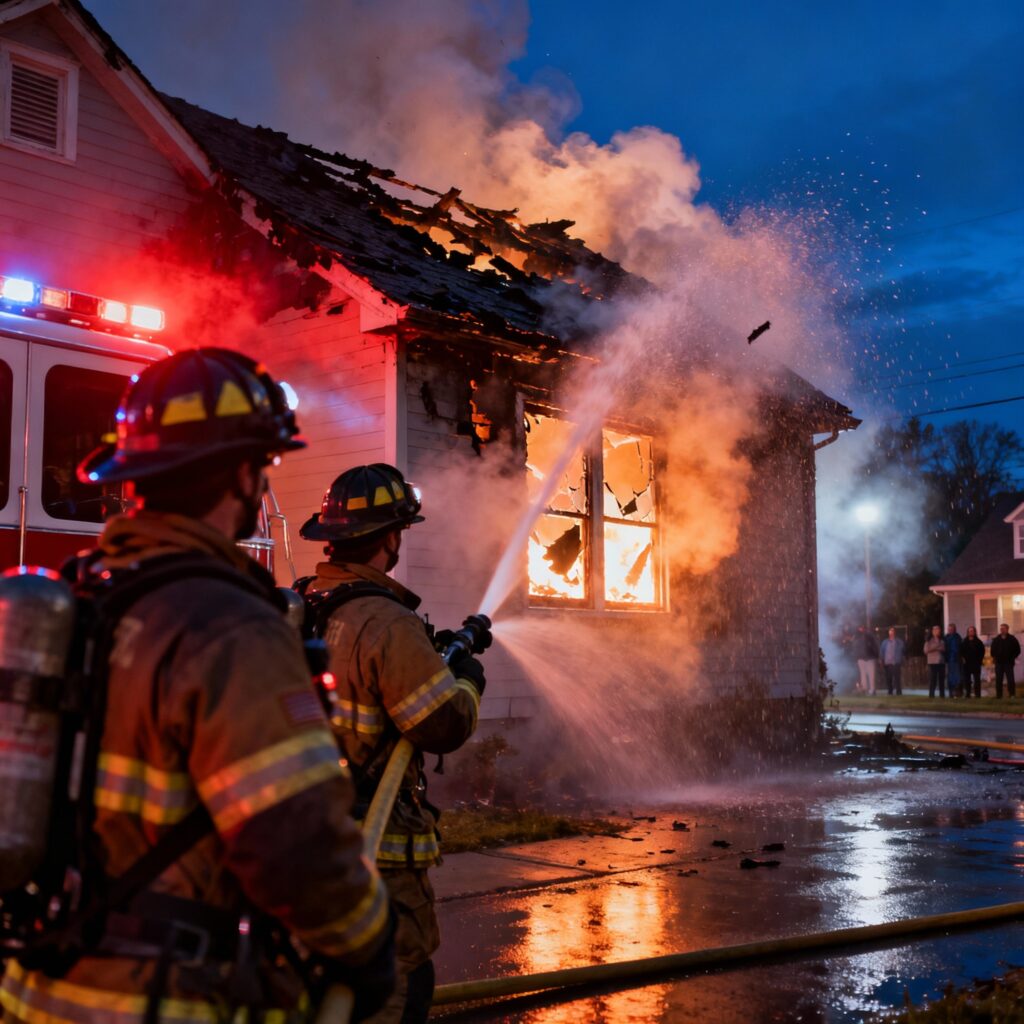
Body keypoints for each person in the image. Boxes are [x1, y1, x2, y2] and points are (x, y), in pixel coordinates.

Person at [1, 350, 394, 1024]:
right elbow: (296, 844)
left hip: (37, 985)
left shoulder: (79, 602)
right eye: (263, 466)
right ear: (243, 472)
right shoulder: (231, 626)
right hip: (164, 999)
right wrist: (366, 942)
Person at [298, 463, 484, 1024]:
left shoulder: (304, 602)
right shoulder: (384, 622)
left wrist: (432, 651)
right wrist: (468, 682)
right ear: (389, 537)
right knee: (400, 982)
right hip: (376, 847)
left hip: (306, 835)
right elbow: (441, 723)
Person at [989, 623, 1021, 698]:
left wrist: (1013, 657)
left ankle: (1012, 694)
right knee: (999, 679)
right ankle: (999, 695)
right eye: (1001, 629)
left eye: (1003, 628)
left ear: (1007, 629)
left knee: (1010, 679)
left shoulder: (1012, 639)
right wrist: (995, 657)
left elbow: (1017, 650)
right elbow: (992, 651)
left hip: (1009, 663)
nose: (1002, 630)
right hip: (999, 663)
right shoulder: (997, 639)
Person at [852, 625, 879, 695]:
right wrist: (856, 658)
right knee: (863, 675)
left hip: (870, 658)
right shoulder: (857, 636)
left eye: (862, 627)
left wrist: (876, 656)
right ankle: (864, 689)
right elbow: (855, 648)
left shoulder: (870, 636)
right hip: (861, 658)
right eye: (860, 627)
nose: (861, 629)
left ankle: (872, 690)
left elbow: (875, 646)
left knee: (871, 675)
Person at [961, 625, 986, 698]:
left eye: (972, 631)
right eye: (969, 631)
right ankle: (967, 694)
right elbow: (961, 652)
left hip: (976, 663)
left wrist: (979, 660)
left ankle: (977, 694)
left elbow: (982, 652)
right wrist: (963, 659)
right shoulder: (964, 642)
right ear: (967, 632)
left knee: (977, 680)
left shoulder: (979, 642)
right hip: (966, 664)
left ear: (974, 632)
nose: (971, 632)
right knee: (967, 680)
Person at [879, 627, 904, 695]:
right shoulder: (885, 642)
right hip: (887, 663)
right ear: (888, 632)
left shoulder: (899, 642)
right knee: (888, 678)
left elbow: (902, 651)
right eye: (890, 631)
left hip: (896, 662)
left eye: (892, 631)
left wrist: (901, 659)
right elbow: (882, 651)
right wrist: (881, 660)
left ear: (895, 632)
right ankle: (890, 691)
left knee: (897, 678)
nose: (891, 632)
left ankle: (899, 691)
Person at [924, 625, 947, 698]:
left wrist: (935, 648)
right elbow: (926, 650)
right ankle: (931, 695)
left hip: (941, 662)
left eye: (939, 630)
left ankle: (942, 695)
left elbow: (943, 649)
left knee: (941, 680)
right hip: (932, 662)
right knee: (932, 680)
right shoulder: (929, 641)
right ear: (933, 632)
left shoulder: (942, 640)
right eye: (936, 630)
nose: (938, 632)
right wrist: (937, 647)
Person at [944, 623, 963, 697]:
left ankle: (958, 693)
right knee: (950, 677)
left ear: (954, 629)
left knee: (957, 677)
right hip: (949, 660)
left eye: (951, 629)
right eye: (949, 629)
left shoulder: (957, 637)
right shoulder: (946, 637)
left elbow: (960, 648)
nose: (950, 630)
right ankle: (951, 693)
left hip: (956, 660)